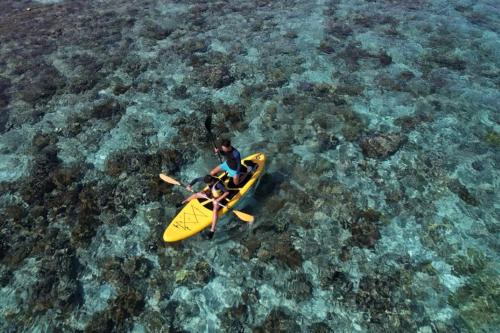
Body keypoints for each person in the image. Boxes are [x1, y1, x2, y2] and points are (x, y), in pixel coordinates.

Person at [180, 175, 230, 240]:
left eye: (208, 183)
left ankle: (212, 230)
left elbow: (227, 192)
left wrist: (217, 200)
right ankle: (182, 203)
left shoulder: (219, 184)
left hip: (219, 197)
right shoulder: (206, 178)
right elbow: (196, 179)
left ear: (211, 181)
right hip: (211, 193)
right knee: (196, 195)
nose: (206, 184)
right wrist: (190, 185)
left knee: (215, 210)